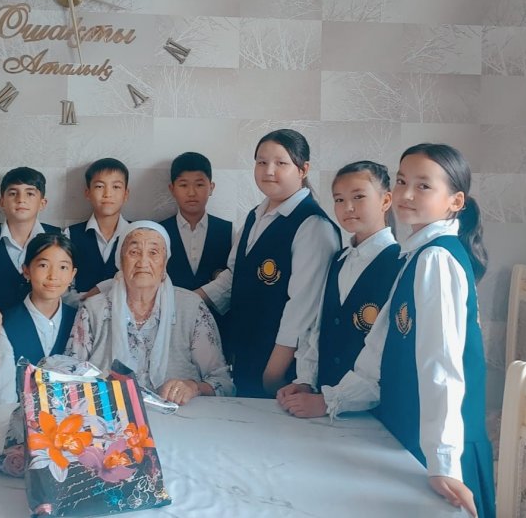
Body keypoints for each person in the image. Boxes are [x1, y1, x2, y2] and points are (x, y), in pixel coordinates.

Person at [309, 143, 494, 518]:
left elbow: (442, 367)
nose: (406, 195)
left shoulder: (436, 258)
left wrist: (444, 463)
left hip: (439, 452)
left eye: (423, 186)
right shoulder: (416, 254)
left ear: (455, 201)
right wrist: (333, 400)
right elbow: (378, 350)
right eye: (402, 181)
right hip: (409, 435)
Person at [196, 130, 341, 398]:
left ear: (303, 169)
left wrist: (273, 374)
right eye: (261, 162)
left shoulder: (313, 226)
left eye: (281, 163)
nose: (269, 171)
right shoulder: (256, 216)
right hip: (247, 357)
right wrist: (187, 301)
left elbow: (303, 309)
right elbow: (235, 277)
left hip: (282, 371)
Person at [277, 160, 403, 416]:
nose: (348, 207)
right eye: (339, 200)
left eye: (359, 197)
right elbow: (317, 329)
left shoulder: (400, 263)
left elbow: (386, 353)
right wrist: (306, 381)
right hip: (326, 408)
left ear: (386, 200)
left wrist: (332, 401)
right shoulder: (338, 260)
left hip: (372, 414)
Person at [67, 221, 233, 404]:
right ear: (120, 261)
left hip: (179, 418)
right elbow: (69, 379)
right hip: (111, 416)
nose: (143, 262)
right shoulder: (93, 310)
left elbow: (223, 383)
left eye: (153, 253)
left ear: (165, 263)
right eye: (134, 252)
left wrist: (194, 387)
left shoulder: (192, 308)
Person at [0, 233, 78, 404]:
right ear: (26, 270)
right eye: (43, 265)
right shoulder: (6, 324)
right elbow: (2, 397)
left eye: (63, 267)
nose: (53, 275)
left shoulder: (79, 320)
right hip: (19, 417)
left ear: (72, 274)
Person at [0, 167, 60, 311]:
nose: (21, 200)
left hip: (44, 321)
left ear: (42, 203)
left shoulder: (59, 237)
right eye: (13, 193)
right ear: (1, 201)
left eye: (30, 193)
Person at [158, 152, 233, 291]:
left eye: (199, 184)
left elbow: (235, 279)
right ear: (172, 189)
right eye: (183, 185)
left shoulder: (229, 231)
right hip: (171, 304)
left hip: (216, 306)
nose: (191, 193)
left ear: (211, 188)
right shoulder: (158, 232)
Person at [64, 158, 131, 296]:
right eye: (99, 186)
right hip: (80, 308)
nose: (108, 194)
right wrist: (90, 303)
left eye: (116, 187)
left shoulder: (137, 233)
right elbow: (64, 289)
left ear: (125, 194)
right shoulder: (70, 235)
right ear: (87, 193)